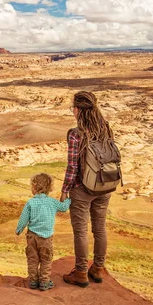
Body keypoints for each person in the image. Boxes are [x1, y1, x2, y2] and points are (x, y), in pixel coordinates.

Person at [61, 91, 114, 288]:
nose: (72, 111)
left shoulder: (76, 134)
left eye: (73, 107)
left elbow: (73, 166)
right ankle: (98, 268)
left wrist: (65, 189)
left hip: (83, 189)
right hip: (105, 186)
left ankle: (81, 272)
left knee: (81, 231)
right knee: (100, 228)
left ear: (79, 110)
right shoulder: (106, 129)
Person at [16, 173, 71, 291]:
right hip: (46, 238)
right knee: (46, 259)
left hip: (31, 237)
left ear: (35, 187)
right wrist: (68, 199)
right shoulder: (52, 202)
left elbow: (23, 219)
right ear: (49, 188)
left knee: (32, 259)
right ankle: (44, 282)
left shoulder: (30, 202)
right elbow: (64, 207)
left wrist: (19, 230)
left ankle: (34, 281)